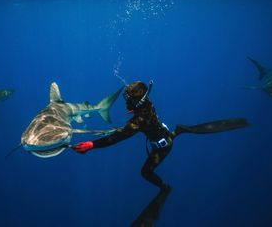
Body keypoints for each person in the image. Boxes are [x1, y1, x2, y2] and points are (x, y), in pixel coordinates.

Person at [72, 81, 249, 191]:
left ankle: (164, 188)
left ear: (137, 101)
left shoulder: (139, 119)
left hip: (163, 146)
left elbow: (117, 137)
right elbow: (138, 101)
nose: (126, 102)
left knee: (145, 172)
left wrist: (92, 145)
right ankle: (179, 130)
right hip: (162, 131)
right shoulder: (146, 102)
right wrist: (134, 104)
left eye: (129, 100)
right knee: (164, 133)